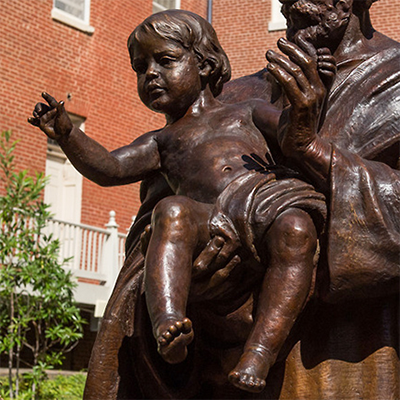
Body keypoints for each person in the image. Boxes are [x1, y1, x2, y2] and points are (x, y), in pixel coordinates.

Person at [57, 0, 398, 398]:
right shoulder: (234, 95)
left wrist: (311, 150)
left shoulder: (393, 78)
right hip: (223, 364)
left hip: (354, 358)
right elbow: (159, 210)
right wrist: (189, 272)